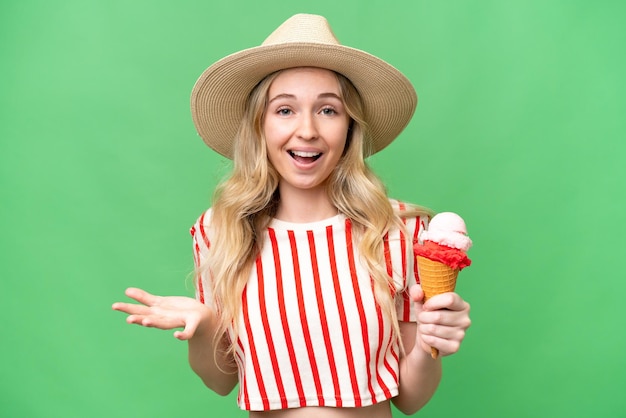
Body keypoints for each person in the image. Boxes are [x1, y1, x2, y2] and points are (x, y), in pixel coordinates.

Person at [112, 13, 471, 417]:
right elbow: (220, 381)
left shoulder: (398, 231)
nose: (307, 131)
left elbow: (411, 399)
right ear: (259, 126)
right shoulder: (220, 230)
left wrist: (429, 343)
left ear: (350, 127)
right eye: (284, 110)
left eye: (328, 111)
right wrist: (203, 325)